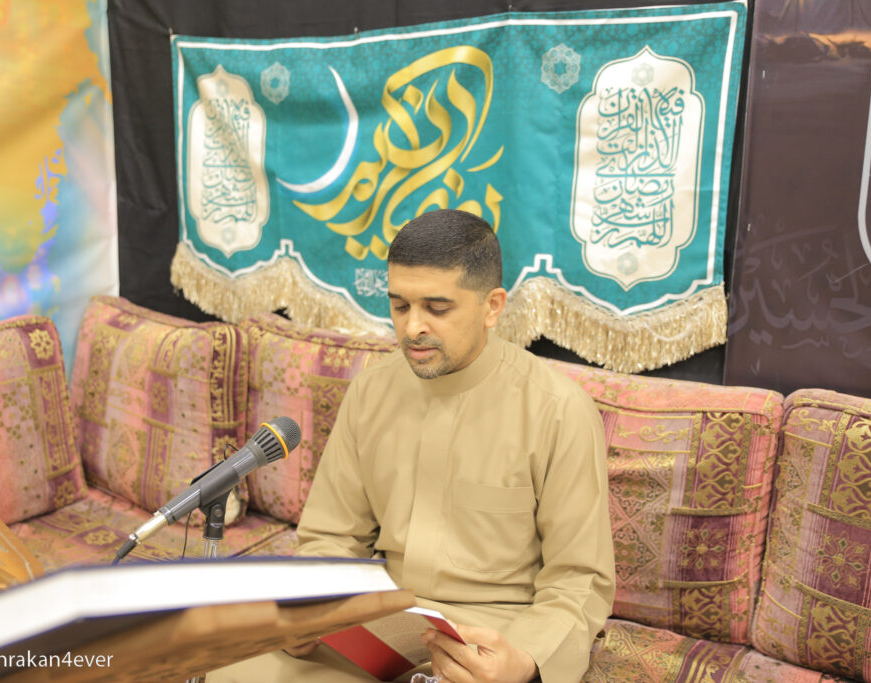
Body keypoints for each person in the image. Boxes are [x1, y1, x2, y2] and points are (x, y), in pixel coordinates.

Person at [210, 209, 613, 682]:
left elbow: (578, 580)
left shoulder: (558, 410)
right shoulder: (371, 390)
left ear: (492, 307)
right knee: (220, 670)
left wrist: (525, 660)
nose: (412, 327)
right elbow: (333, 537)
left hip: (488, 644)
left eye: (436, 309)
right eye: (400, 306)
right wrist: (309, 609)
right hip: (378, 629)